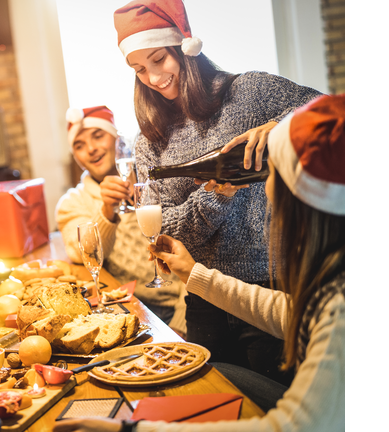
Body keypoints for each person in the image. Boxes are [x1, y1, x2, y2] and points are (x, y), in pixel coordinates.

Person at [53, 95, 344, 432]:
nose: (265, 191)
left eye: (273, 174)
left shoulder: (341, 308)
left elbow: (290, 426)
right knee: (215, 373)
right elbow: (287, 312)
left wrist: (132, 429)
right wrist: (192, 273)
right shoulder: (333, 288)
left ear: (303, 202)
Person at [111, 0, 322, 385]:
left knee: (273, 409)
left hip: (269, 291)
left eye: (159, 59)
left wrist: (278, 124)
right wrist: (216, 196)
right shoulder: (150, 140)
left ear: (184, 50)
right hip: (202, 295)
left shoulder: (249, 92)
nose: (154, 77)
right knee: (213, 400)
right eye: (140, 69)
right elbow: (161, 229)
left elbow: (326, 111)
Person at [55, 105, 186, 336]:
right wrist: (106, 210)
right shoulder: (73, 202)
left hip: (185, 303)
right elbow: (82, 254)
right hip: (131, 306)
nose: (92, 149)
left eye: (98, 136)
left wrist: (181, 325)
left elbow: (195, 248)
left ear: (117, 138)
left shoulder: (154, 181)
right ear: (75, 156)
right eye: (79, 145)